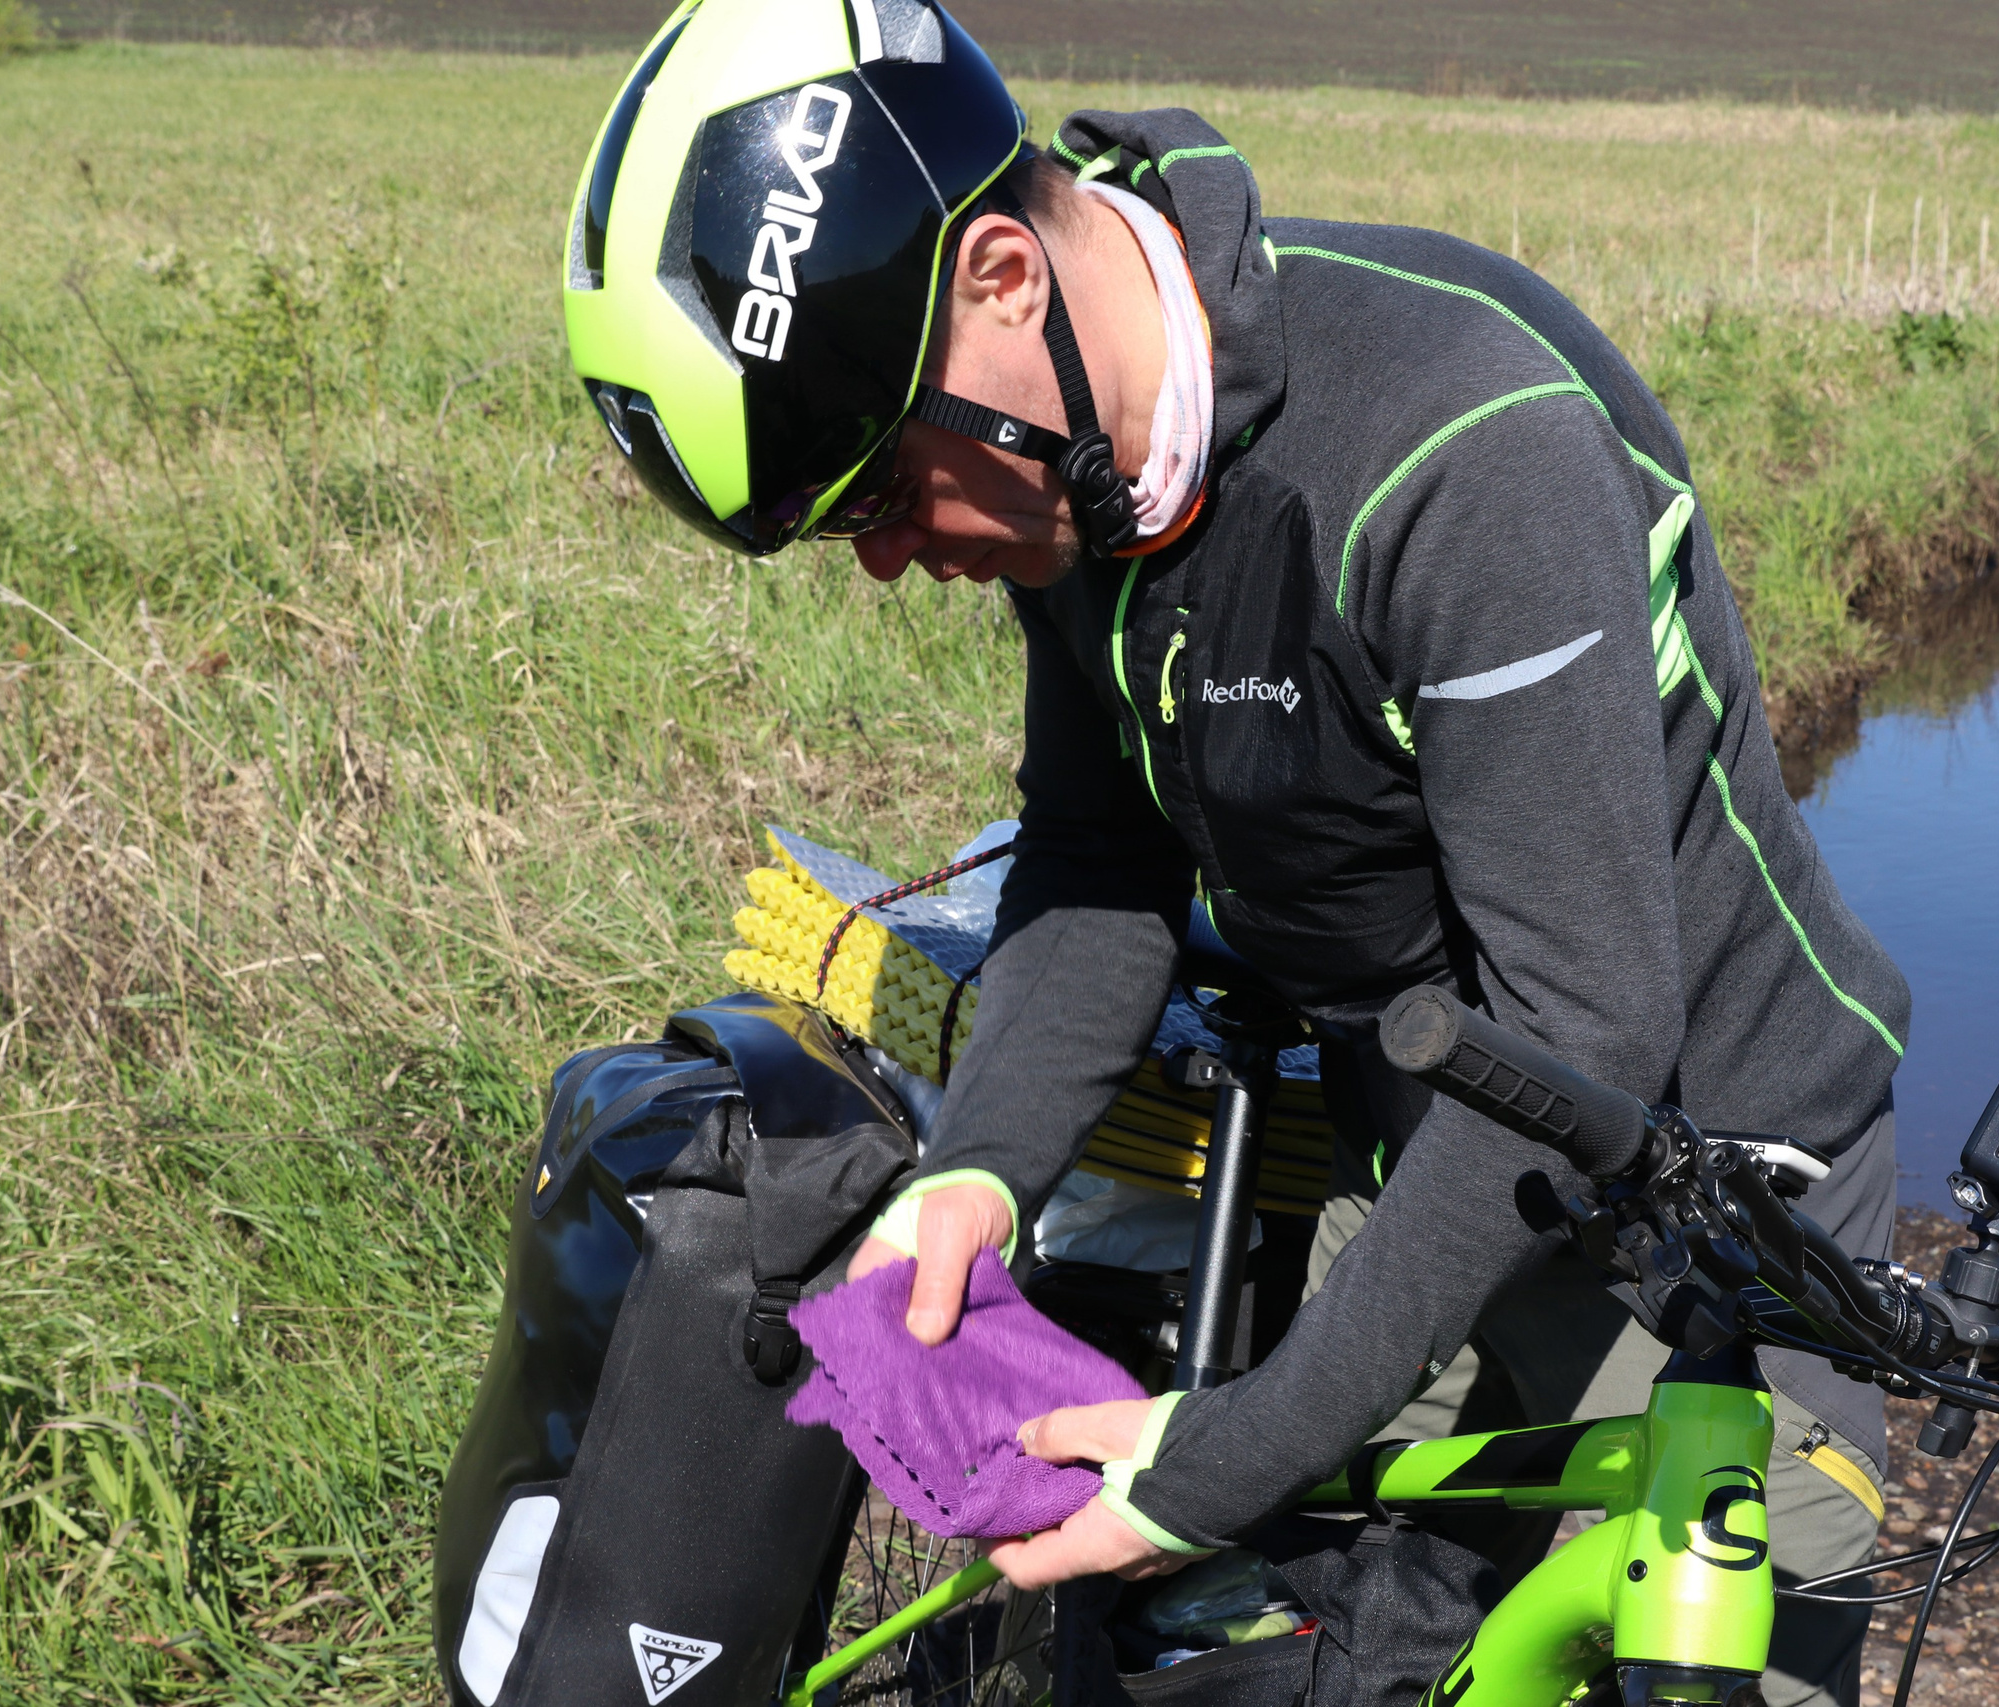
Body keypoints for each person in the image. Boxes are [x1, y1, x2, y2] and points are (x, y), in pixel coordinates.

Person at [563, 2, 1910, 1701]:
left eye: (883, 486)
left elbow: (1584, 1032)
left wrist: (1214, 1456)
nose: (892, 561)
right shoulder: (1088, 481)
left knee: (1719, 1665)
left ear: (1001, 279)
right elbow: (1096, 856)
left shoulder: (1458, 449)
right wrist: (978, 1173)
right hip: (1428, 1155)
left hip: (1732, 1172)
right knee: (1380, 1655)